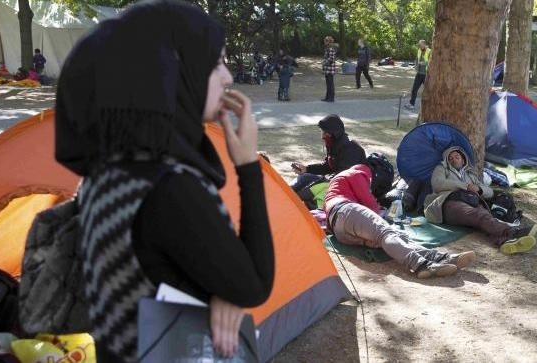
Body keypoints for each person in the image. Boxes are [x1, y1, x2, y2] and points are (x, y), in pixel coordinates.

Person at [54, 1, 274, 360]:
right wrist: (249, 165)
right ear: (174, 71)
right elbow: (255, 285)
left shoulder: (108, 168)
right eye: (215, 62)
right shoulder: (168, 188)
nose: (228, 76)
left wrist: (221, 289)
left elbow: (156, 268)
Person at [325, 163, 476, 278]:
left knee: (395, 237)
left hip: (341, 230)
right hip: (346, 211)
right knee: (385, 233)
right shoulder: (358, 173)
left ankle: (439, 257)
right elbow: (368, 201)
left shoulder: (337, 183)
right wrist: (382, 212)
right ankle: (421, 265)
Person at [424, 147, 537, 255]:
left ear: (463, 159)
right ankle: (513, 233)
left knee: (485, 216)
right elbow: (438, 184)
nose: (453, 159)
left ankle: (506, 242)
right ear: (447, 161)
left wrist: (479, 189)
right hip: (448, 202)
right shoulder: (441, 169)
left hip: (471, 201)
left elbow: (490, 192)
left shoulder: (470, 174)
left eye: (456, 156)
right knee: (479, 215)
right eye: (450, 158)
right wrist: (466, 186)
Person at [290, 114, 366, 192]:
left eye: (325, 133)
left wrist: (322, 181)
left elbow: (342, 177)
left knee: (307, 192)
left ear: (335, 134)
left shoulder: (351, 150)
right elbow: (327, 167)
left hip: (346, 189)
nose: (322, 137)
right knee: (303, 178)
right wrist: (307, 169)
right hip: (332, 181)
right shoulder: (334, 146)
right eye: (322, 132)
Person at [404, 40, 431, 110]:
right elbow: (417, 59)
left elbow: (431, 62)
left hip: (426, 74)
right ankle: (411, 104)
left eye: (421, 45)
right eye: (419, 45)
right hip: (419, 73)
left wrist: (424, 63)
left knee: (428, 90)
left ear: (425, 44)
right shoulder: (419, 50)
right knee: (414, 89)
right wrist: (416, 65)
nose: (420, 46)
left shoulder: (429, 51)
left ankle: (430, 105)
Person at [322, 35, 337, 102]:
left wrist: (325, 62)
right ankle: (327, 97)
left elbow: (331, 59)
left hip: (330, 70)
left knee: (330, 84)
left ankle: (331, 98)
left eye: (325, 41)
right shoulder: (327, 48)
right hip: (327, 69)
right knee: (328, 84)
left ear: (328, 41)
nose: (324, 42)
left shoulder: (331, 49)